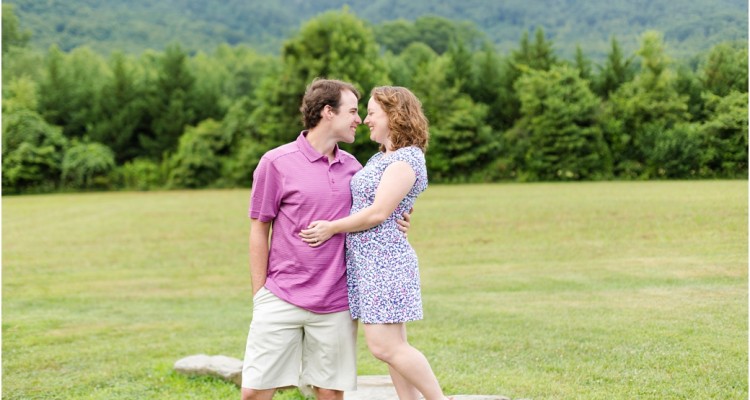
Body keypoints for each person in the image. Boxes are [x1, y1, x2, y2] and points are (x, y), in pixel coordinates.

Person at [240, 78, 411, 400]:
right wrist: (260, 293)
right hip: (281, 295)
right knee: (254, 392)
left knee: (330, 393)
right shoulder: (275, 162)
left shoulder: (355, 169)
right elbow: (259, 228)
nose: (360, 119)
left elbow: (377, 211)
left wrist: (401, 220)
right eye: (353, 111)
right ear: (328, 112)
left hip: (336, 300)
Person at [299, 86, 450, 400]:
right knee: (395, 348)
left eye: (371, 113)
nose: (365, 120)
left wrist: (331, 228)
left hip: (385, 263)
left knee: (384, 347)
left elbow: (379, 212)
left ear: (394, 115)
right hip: (371, 264)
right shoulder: (383, 157)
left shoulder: (405, 160)